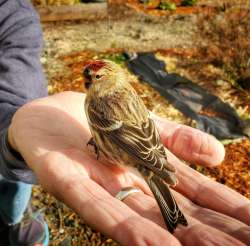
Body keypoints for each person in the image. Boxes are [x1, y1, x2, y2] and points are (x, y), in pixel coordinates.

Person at [0, 0, 249, 245]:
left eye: (96, 78)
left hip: (127, 151)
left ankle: (16, 223)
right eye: (89, 77)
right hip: (147, 146)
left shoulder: (99, 105)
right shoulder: (121, 95)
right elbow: (144, 130)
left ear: (110, 80)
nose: (89, 82)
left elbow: (124, 136)